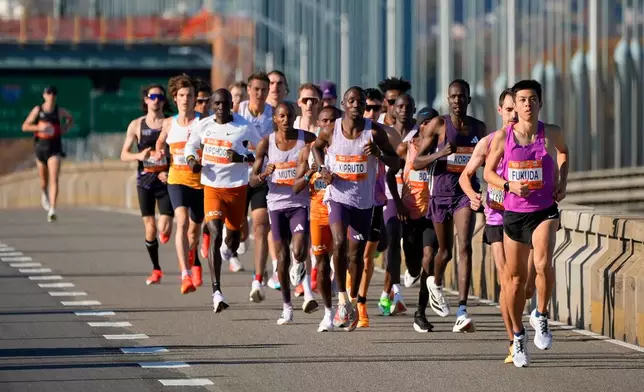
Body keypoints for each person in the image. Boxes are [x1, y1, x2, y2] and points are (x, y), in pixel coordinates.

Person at [484, 79, 569, 368]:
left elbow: (565, 153)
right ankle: (518, 336)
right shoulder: (502, 137)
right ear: (515, 105)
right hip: (514, 213)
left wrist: (562, 181)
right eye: (522, 100)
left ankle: (542, 316)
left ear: (540, 103)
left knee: (543, 264)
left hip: (544, 209)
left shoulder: (550, 133)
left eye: (532, 99)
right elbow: (487, 173)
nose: (527, 104)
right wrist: (508, 185)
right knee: (517, 279)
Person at [312, 86, 400, 331]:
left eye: (360, 101)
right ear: (343, 103)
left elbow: (396, 162)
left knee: (356, 256)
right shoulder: (331, 129)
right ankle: (341, 301)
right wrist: (322, 170)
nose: (356, 105)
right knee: (339, 242)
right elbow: (316, 147)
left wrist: (380, 154)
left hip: (363, 202)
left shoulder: (375, 132)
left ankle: (352, 299)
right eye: (351, 100)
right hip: (337, 197)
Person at [459, 88, 537, 362]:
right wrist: (472, 196)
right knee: (507, 282)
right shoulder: (489, 142)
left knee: (526, 286)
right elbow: (465, 177)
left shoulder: (530, 140)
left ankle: (522, 319)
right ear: (500, 110)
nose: (513, 115)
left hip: (525, 215)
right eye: (508, 109)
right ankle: (514, 339)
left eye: (516, 109)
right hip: (496, 217)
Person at [413, 79, 486, 333]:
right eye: (453, 97)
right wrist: (439, 154)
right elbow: (417, 163)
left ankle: (462, 310)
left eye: (461, 96)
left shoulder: (479, 127)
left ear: (468, 99)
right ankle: (434, 284)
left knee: (464, 246)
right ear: (448, 99)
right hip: (440, 196)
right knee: (443, 252)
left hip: (465, 194)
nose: (457, 101)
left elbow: (487, 161)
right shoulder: (438, 125)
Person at [184, 88, 259, 312]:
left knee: (234, 239)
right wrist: (191, 160)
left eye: (225, 104)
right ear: (212, 106)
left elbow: (263, 151)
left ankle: (230, 247)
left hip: (237, 189)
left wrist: (241, 157)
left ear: (231, 105)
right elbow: (191, 146)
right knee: (215, 232)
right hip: (212, 187)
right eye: (216, 104)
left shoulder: (243, 125)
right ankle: (217, 291)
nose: (221, 108)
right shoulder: (203, 125)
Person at [251, 102, 318, 324]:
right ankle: (287, 307)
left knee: (299, 250)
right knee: (281, 258)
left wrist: (317, 164)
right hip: (276, 204)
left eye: (290, 115)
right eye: (282, 116)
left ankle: (299, 266)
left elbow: (323, 146)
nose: (286, 119)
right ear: (275, 119)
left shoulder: (305, 138)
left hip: (299, 202)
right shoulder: (266, 143)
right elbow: (252, 180)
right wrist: (263, 175)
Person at [120, 84, 174, 286]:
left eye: (160, 97)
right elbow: (123, 154)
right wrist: (138, 155)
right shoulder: (136, 125)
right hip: (144, 180)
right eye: (152, 96)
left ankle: (165, 233)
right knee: (150, 228)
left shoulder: (170, 123)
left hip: (166, 179)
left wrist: (169, 169)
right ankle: (156, 269)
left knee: (165, 227)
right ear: (146, 100)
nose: (156, 100)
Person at [155, 75, 204, 294]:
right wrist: (159, 153)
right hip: (177, 180)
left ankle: (191, 253)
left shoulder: (204, 122)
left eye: (190, 95)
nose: (186, 99)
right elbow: (160, 142)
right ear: (175, 98)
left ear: (195, 99)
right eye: (182, 95)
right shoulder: (169, 123)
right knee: (181, 221)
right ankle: (185, 275)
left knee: (194, 232)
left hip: (201, 183)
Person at [295, 105, 341, 331]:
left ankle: (346, 302)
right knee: (322, 264)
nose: (329, 125)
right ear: (319, 124)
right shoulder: (307, 151)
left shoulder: (346, 148)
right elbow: (295, 186)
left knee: (345, 258)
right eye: (324, 121)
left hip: (343, 211)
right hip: (319, 215)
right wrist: (310, 173)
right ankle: (328, 313)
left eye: (333, 120)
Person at [398, 106, 439, 332]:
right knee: (414, 262)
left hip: (434, 213)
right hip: (411, 212)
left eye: (434, 122)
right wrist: (397, 201)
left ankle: (420, 313)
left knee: (429, 258)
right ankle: (411, 271)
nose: (429, 126)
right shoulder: (407, 147)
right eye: (425, 122)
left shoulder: (444, 149)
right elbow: (389, 172)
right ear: (419, 125)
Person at [21, 85, 74, 222]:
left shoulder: (59, 111)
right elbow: (25, 126)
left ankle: (52, 209)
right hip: (40, 147)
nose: (51, 96)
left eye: (53, 94)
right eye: (48, 93)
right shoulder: (38, 110)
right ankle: (44, 193)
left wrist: (64, 128)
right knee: (44, 180)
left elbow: (70, 119)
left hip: (54, 147)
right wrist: (39, 127)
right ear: (44, 95)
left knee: (54, 178)